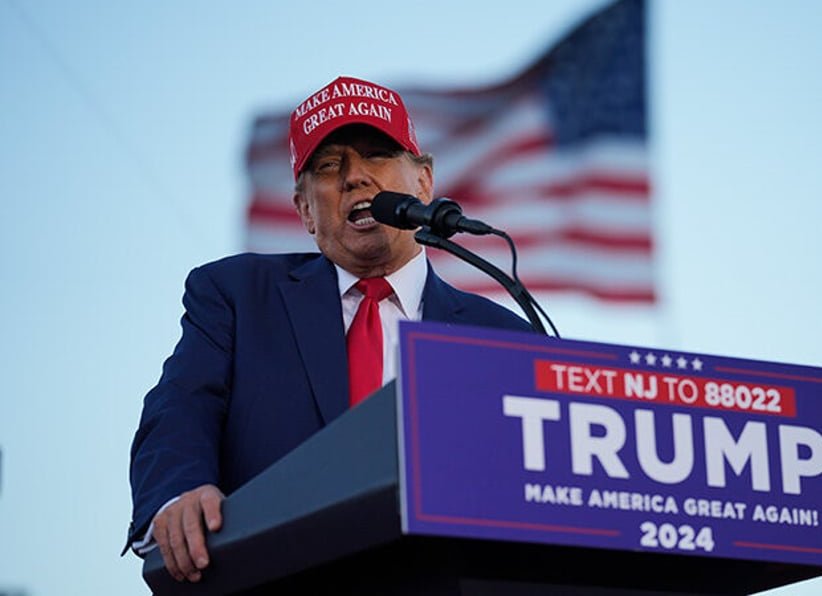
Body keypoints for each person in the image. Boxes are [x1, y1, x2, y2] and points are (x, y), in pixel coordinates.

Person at [125, 75, 533, 583]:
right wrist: (178, 492)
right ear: (304, 211)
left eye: (377, 155)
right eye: (329, 166)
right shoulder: (237, 297)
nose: (355, 178)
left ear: (424, 183)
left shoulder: (504, 336)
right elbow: (181, 407)